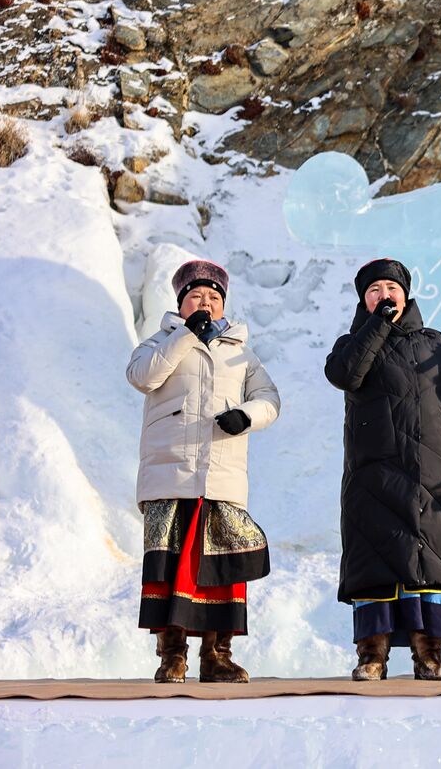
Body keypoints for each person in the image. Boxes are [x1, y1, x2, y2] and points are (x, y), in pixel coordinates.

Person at [325, 259, 441, 681]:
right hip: (372, 473)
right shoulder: (351, 343)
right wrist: (376, 327)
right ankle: (372, 656)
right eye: (375, 289)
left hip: (430, 471)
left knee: (429, 558)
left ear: (406, 294)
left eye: (391, 288)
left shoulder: (434, 343)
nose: (384, 295)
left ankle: (428, 654)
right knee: (375, 560)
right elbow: (346, 374)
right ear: (364, 299)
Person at [127, 259, 280, 683]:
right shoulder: (158, 342)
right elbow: (142, 377)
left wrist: (246, 416)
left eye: (214, 297)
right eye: (197, 296)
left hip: (221, 475)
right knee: (171, 567)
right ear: (181, 302)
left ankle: (218, 657)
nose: (206, 302)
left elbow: (270, 398)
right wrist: (184, 335)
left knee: (221, 571)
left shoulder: (241, 352)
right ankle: (172, 657)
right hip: (169, 473)